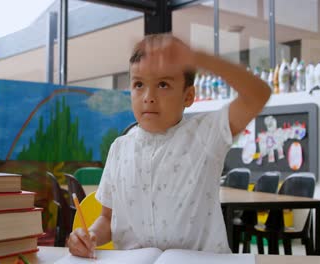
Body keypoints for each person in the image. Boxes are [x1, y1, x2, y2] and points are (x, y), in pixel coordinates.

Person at [68, 33, 271, 257]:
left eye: (163, 84)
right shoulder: (119, 148)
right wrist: (90, 236)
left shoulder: (205, 135)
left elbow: (258, 94)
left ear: (188, 96)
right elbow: (107, 218)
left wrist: (200, 59)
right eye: (138, 84)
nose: (148, 96)